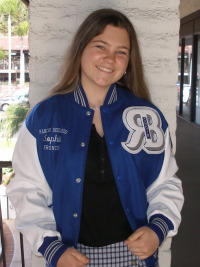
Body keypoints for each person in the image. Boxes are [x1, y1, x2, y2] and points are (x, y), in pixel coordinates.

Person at [7, 8, 184, 267]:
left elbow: (165, 183)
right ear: (81, 48)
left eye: (121, 52)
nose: (110, 59)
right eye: (100, 46)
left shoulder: (147, 117)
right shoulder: (45, 117)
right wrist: (51, 248)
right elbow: (26, 190)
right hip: (70, 258)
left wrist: (158, 229)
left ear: (128, 62)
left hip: (134, 259)